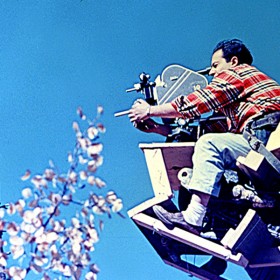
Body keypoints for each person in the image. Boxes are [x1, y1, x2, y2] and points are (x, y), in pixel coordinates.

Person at [128, 39, 280, 235]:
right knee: (209, 157)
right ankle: (218, 259)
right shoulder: (238, 109)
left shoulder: (239, 73)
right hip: (256, 140)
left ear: (233, 61)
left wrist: (150, 110)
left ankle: (193, 218)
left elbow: (198, 103)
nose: (211, 72)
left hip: (263, 137)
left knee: (209, 146)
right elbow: (205, 130)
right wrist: (158, 129)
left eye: (216, 65)